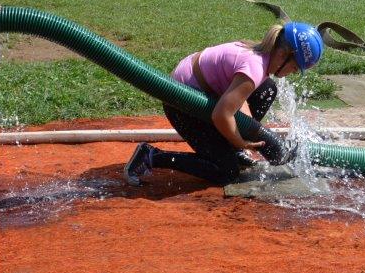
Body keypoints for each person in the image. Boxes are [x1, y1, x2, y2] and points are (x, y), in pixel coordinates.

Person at [124, 22, 324, 188]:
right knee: (227, 172)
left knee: (268, 89)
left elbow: (238, 98)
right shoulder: (254, 67)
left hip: (201, 93)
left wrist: (248, 133)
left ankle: (230, 151)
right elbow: (221, 115)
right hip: (182, 104)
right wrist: (240, 142)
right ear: (283, 55)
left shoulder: (259, 55)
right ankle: (151, 156)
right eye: (295, 67)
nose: (292, 73)